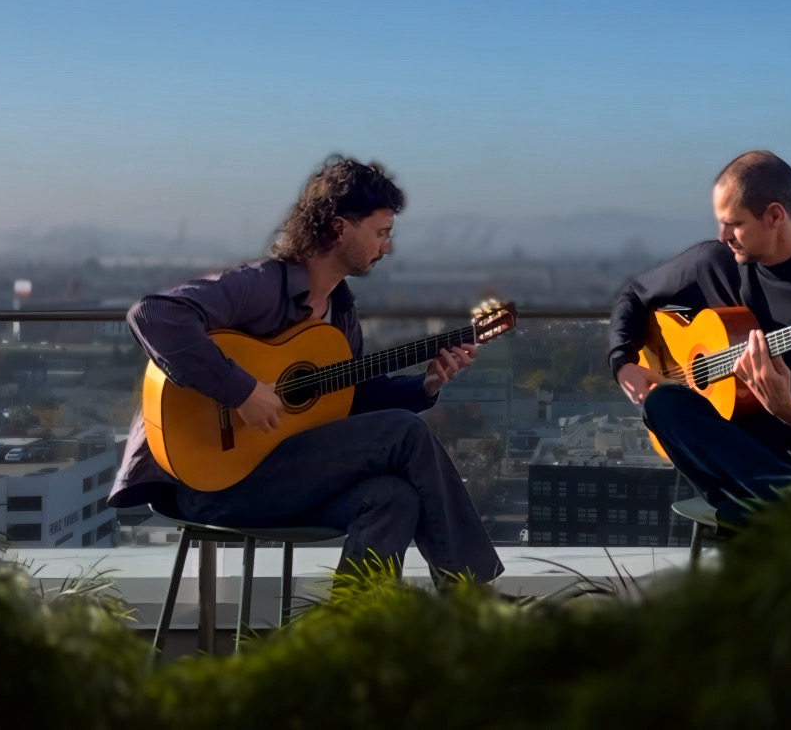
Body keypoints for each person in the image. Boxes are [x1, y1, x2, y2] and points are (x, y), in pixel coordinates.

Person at [107, 155, 502, 583]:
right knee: (405, 433)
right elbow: (152, 315)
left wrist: (423, 386)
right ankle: (471, 592)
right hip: (208, 483)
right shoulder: (260, 286)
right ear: (338, 227)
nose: (387, 247)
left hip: (281, 477)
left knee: (394, 497)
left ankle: (345, 635)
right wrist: (240, 391)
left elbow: (347, 401)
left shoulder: (341, 314)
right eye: (381, 232)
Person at [610, 150, 791, 524]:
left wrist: (785, 407)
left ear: (775, 215)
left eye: (733, 224)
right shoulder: (712, 264)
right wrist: (624, 363)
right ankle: (781, 509)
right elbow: (634, 295)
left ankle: (757, 511)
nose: (721, 236)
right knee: (661, 404)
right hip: (734, 446)